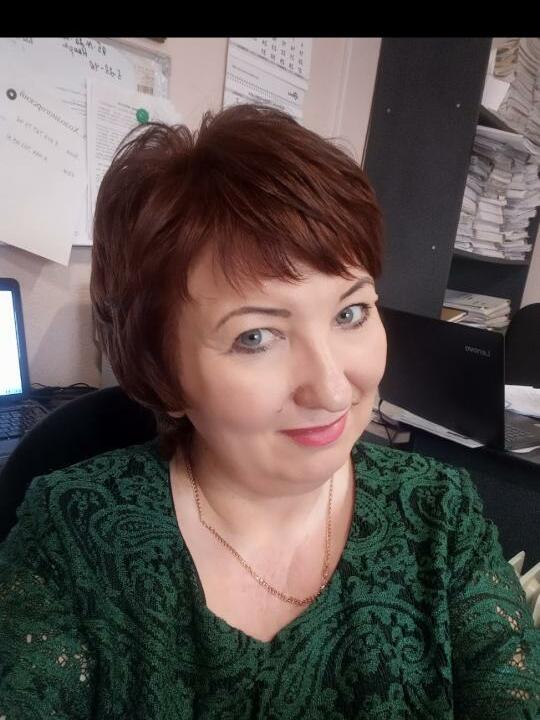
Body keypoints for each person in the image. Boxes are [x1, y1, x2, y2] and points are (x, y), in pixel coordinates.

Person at [0, 104, 539, 719]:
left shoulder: (440, 515)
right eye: (255, 337)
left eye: (350, 313)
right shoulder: (73, 533)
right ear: (164, 376)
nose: (332, 390)